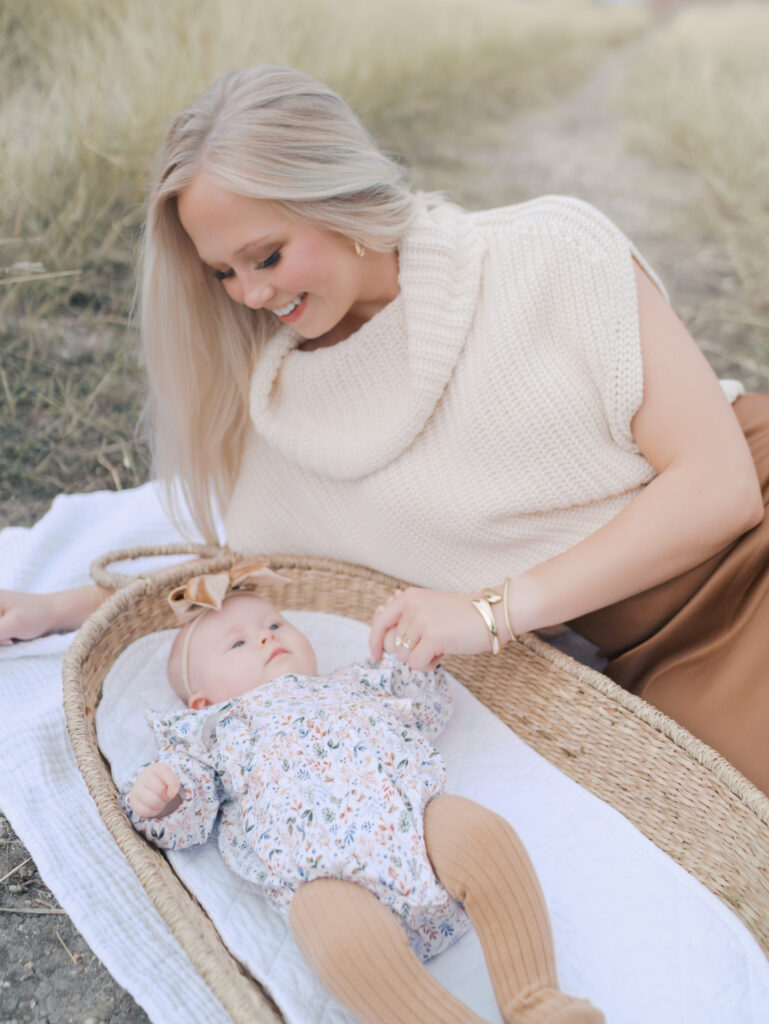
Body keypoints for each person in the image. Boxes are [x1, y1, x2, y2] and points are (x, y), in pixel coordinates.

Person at [1, 64, 767, 794]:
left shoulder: (545, 253)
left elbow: (720, 487)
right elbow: (252, 572)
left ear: (336, 197)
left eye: (265, 254)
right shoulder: (288, 411)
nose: (252, 293)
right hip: (661, 650)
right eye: (223, 273)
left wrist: (489, 611)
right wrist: (63, 609)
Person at [122, 572, 604, 1024]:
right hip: (323, 874)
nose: (267, 637)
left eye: (274, 623)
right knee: (331, 931)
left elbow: (424, 710)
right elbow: (193, 812)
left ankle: (538, 1000)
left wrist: (412, 659)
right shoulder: (213, 730)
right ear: (203, 700)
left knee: (484, 835)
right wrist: (165, 797)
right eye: (239, 642)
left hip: (417, 824)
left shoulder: (353, 683)